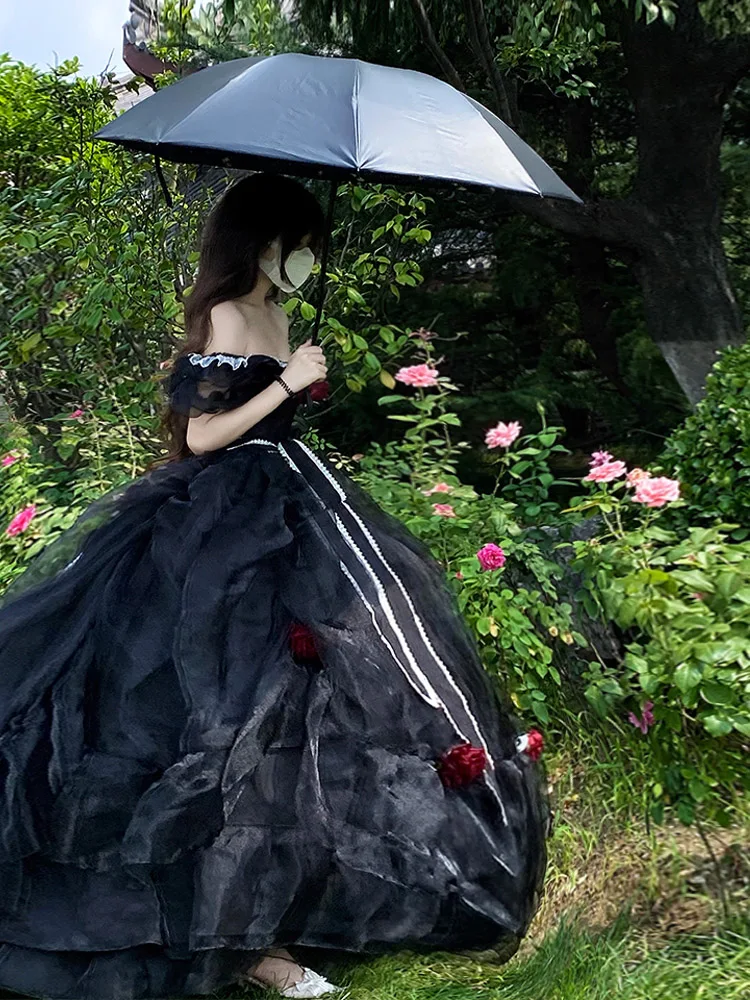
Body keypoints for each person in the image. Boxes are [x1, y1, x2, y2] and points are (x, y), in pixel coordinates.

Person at [0, 173, 549, 1000]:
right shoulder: (225, 316)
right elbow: (201, 435)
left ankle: (273, 912)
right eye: (303, 244)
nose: (309, 261)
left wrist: (293, 383)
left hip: (297, 508)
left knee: (302, 707)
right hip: (220, 526)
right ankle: (235, 939)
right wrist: (288, 383)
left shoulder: (280, 315)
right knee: (213, 712)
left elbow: (268, 417)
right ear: (268, 241)